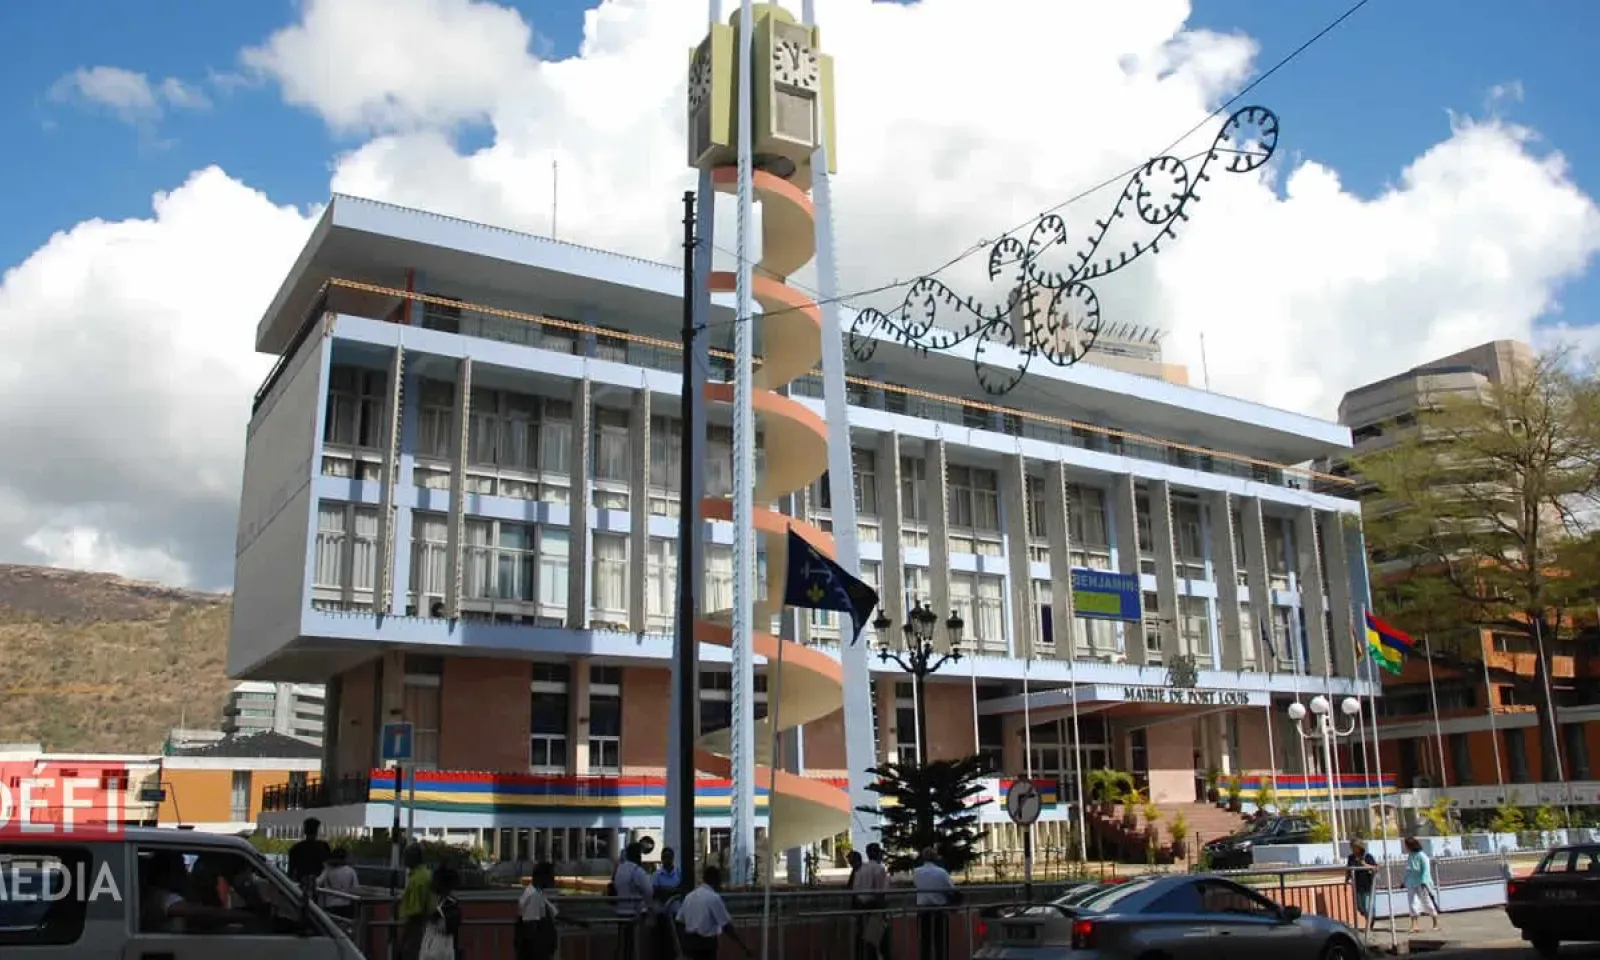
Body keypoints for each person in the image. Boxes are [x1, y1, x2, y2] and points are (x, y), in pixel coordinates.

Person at [676, 865, 751, 960]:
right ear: (715, 880)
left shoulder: (689, 897)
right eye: (720, 880)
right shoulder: (714, 898)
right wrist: (743, 946)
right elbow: (726, 926)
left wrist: (683, 943)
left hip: (689, 944)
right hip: (706, 946)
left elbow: (679, 920)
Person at [517, 862, 586, 960]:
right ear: (543, 877)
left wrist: (578, 922)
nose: (554, 879)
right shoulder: (533, 896)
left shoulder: (537, 893)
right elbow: (530, 928)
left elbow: (555, 912)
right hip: (537, 953)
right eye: (552, 876)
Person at [912, 847, 959, 960]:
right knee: (941, 941)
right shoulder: (941, 872)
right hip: (939, 909)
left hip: (923, 910)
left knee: (924, 941)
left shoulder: (916, 872)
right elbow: (952, 889)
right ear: (936, 857)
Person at [610, 842, 654, 960]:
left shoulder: (619, 869)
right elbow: (649, 891)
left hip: (620, 912)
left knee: (623, 944)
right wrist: (647, 905)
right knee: (633, 945)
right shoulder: (637, 871)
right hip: (634, 913)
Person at [852, 843, 891, 960]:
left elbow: (855, 889)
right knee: (879, 942)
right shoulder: (879, 869)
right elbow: (880, 891)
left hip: (862, 908)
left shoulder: (861, 869)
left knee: (864, 939)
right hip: (875, 908)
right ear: (877, 854)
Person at [398, 844, 435, 960]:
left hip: (417, 930)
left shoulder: (416, 880)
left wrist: (403, 939)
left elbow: (414, 914)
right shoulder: (428, 874)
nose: (403, 859)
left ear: (413, 858)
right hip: (430, 929)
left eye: (405, 856)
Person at [420, 865, 463, 960]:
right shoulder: (441, 901)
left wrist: (433, 917)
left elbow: (447, 926)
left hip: (440, 950)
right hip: (434, 948)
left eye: (435, 880)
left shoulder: (450, 903)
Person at [651, 847, 685, 958]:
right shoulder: (656, 875)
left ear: (672, 858)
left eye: (669, 857)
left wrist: (666, 890)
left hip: (676, 912)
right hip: (661, 911)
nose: (667, 859)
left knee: (677, 940)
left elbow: (682, 889)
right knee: (662, 941)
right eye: (664, 857)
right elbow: (655, 891)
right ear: (661, 858)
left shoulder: (679, 873)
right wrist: (672, 891)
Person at [1402, 836, 1440, 934]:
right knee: (1413, 903)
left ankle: (1435, 923)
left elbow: (1426, 869)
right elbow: (1408, 870)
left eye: (1406, 845)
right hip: (1411, 883)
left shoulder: (1422, 856)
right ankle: (1415, 925)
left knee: (1427, 902)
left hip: (1421, 883)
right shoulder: (1410, 856)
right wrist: (1404, 881)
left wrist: (1424, 881)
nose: (1405, 847)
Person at [286, 817, 332, 889]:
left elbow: (290, 871)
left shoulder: (296, 848)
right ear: (316, 831)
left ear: (305, 831)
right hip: (319, 886)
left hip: (301, 886)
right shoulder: (323, 847)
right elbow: (328, 867)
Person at [1345, 840, 1378, 934]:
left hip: (1368, 884)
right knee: (1360, 907)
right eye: (1352, 847)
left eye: (1355, 847)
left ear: (1360, 847)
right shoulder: (1351, 857)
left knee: (1367, 906)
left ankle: (1369, 924)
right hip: (1357, 885)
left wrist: (1365, 864)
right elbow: (1348, 869)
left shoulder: (1367, 856)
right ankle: (1371, 918)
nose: (1353, 849)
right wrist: (1346, 879)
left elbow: (1375, 868)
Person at [318, 847, 360, 919]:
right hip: (347, 904)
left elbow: (318, 883)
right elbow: (356, 888)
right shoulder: (351, 871)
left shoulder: (328, 870)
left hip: (331, 905)